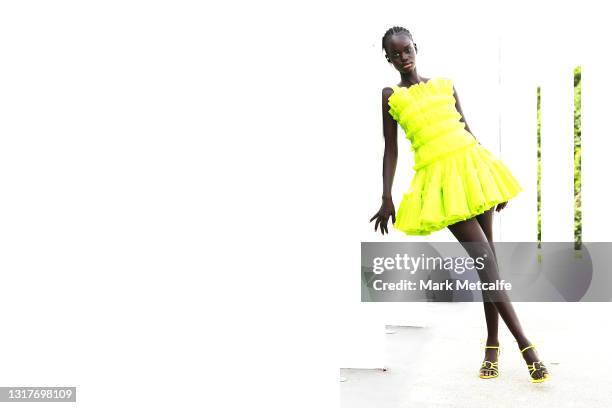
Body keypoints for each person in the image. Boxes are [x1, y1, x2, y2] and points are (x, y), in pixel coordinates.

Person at [369, 26, 549, 383]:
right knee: (487, 263)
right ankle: (526, 346)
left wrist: (494, 179)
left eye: (407, 50)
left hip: (473, 171)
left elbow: (467, 131)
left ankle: (492, 347)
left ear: (415, 48)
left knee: (489, 266)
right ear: (388, 59)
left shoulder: (444, 84)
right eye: (395, 54)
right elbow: (391, 149)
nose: (403, 57)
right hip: (440, 185)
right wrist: (386, 196)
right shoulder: (392, 96)